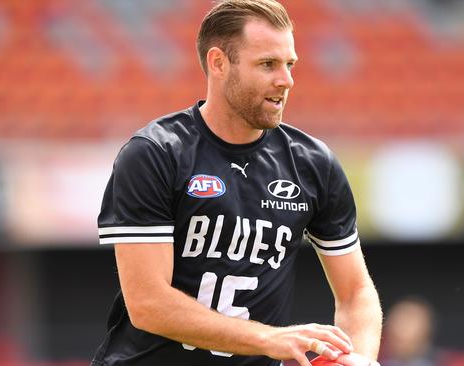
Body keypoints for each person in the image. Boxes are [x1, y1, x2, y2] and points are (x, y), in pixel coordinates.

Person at [91, 1, 382, 365]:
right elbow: (148, 304)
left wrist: (360, 359)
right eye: (267, 64)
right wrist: (268, 338)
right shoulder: (155, 153)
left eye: (289, 65)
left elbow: (356, 291)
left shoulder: (313, 163)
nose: (286, 80)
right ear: (218, 63)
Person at [381, 297, 438, 366]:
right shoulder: (371, 361)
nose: (400, 331)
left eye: (409, 322)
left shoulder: (449, 362)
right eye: (397, 322)